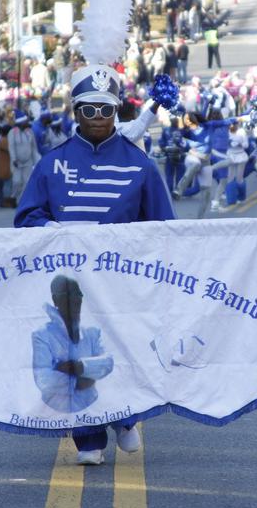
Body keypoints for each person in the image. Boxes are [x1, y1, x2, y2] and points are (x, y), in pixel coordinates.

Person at [15, 51, 175, 465]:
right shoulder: (53, 164)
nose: (98, 116)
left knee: (123, 348)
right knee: (75, 349)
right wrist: (48, 231)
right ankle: (89, 440)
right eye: (89, 108)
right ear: (76, 112)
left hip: (124, 282)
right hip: (71, 283)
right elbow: (27, 216)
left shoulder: (140, 166)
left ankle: (125, 419)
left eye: (106, 108)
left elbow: (163, 227)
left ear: (117, 110)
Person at [32, 275, 114, 413]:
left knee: (121, 423)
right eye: (69, 295)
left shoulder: (92, 331)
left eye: (78, 295)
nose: (75, 300)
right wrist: (77, 382)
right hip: (58, 411)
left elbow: (108, 362)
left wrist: (78, 367)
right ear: (55, 299)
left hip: (91, 404)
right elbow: (43, 378)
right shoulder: (42, 334)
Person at [8, 110, 39, 203]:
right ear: (21, 123)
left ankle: (21, 202)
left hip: (28, 161)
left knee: (27, 182)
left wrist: (36, 160)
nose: (27, 123)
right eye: (25, 122)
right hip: (16, 162)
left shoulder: (30, 132)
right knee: (17, 182)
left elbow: (34, 147)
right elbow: (11, 147)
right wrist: (14, 159)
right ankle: (14, 195)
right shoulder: (12, 132)